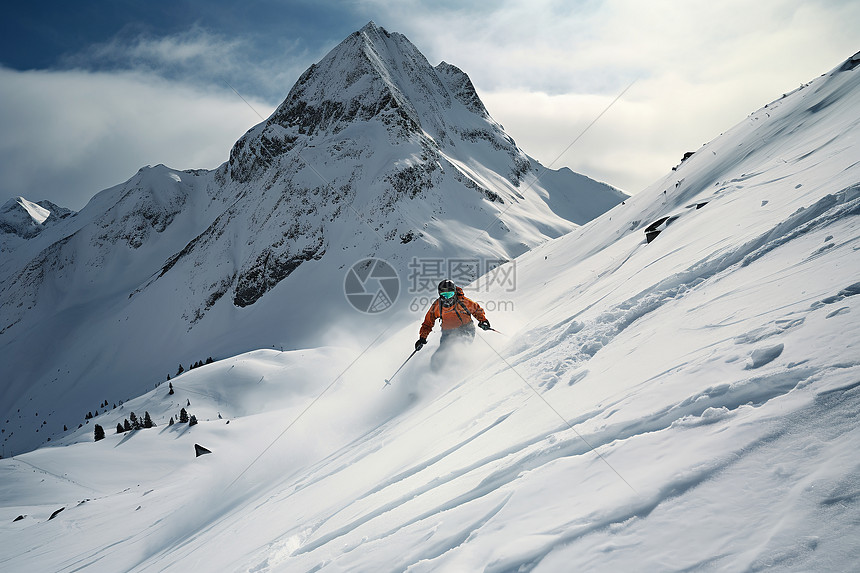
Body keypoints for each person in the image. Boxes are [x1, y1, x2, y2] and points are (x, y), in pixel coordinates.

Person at [415, 279, 491, 372]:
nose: (447, 298)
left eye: (450, 295)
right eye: (444, 295)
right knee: (438, 357)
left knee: (458, 350)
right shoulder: (437, 306)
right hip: (447, 333)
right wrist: (422, 338)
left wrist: (483, 320)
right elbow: (428, 323)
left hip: (466, 328)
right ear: (440, 295)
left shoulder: (463, 301)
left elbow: (476, 310)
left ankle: (463, 372)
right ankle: (437, 375)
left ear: (454, 293)